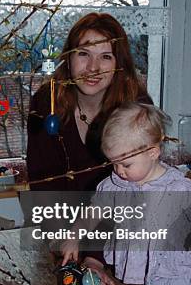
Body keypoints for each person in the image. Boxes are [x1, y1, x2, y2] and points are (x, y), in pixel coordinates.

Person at [61, 102, 191, 285]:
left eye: (126, 164)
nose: (119, 171)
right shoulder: (115, 184)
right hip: (143, 271)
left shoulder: (178, 187)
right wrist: (74, 235)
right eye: (114, 163)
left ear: (153, 152)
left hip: (179, 274)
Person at [27, 12, 151, 191]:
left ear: (118, 65)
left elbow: (147, 180)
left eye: (106, 56)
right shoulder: (47, 103)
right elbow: (41, 184)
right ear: (68, 59)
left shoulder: (137, 105)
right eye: (84, 53)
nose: (93, 67)